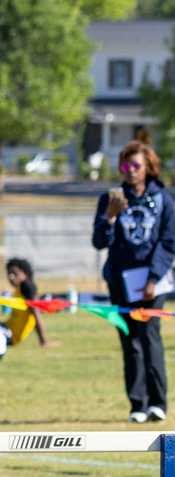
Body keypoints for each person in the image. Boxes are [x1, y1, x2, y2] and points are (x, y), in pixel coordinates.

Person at [92, 140, 175, 423]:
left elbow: (168, 243)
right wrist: (109, 218)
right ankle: (137, 405)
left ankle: (157, 403)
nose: (130, 170)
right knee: (130, 342)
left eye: (136, 165)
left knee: (150, 338)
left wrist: (152, 278)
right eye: (126, 165)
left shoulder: (163, 200)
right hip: (120, 282)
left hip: (152, 283)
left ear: (148, 167)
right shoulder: (111, 199)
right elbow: (99, 242)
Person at [4, 258, 57, 348]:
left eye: (15, 273)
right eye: (9, 273)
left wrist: (43, 341)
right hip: (6, 328)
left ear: (26, 274)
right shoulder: (19, 288)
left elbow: (36, 312)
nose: (11, 277)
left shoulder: (26, 285)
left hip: (11, 335)